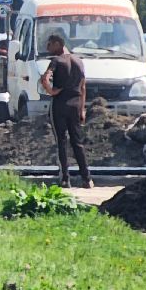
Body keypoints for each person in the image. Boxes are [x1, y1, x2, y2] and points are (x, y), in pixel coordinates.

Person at [39, 32, 91, 188]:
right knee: (77, 142)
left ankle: (65, 179)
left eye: (49, 44)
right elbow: (83, 87)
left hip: (60, 104)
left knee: (61, 141)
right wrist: (82, 110)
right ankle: (87, 179)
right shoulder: (78, 61)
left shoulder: (56, 61)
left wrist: (51, 90)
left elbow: (45, 78)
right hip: (76, 105)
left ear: (58, 44)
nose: (47, 48)